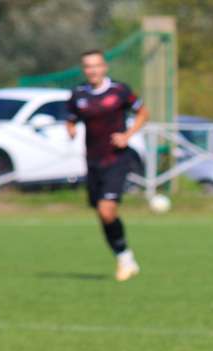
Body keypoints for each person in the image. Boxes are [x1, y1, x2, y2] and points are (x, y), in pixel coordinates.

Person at [66, 49, 148, 281]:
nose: (93, 70)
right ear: (84, 70)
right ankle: (124, 255)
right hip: (92, 160)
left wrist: (127, 134)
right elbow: (71, 119)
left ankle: (124, 258)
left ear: (105, 67)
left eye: (96, 65)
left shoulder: (119, 91)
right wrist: (70, 130)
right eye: (88, 66)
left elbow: (143, 113)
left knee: (106, 209)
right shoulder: (77, 94)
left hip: (118, 157)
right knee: (102, 214)